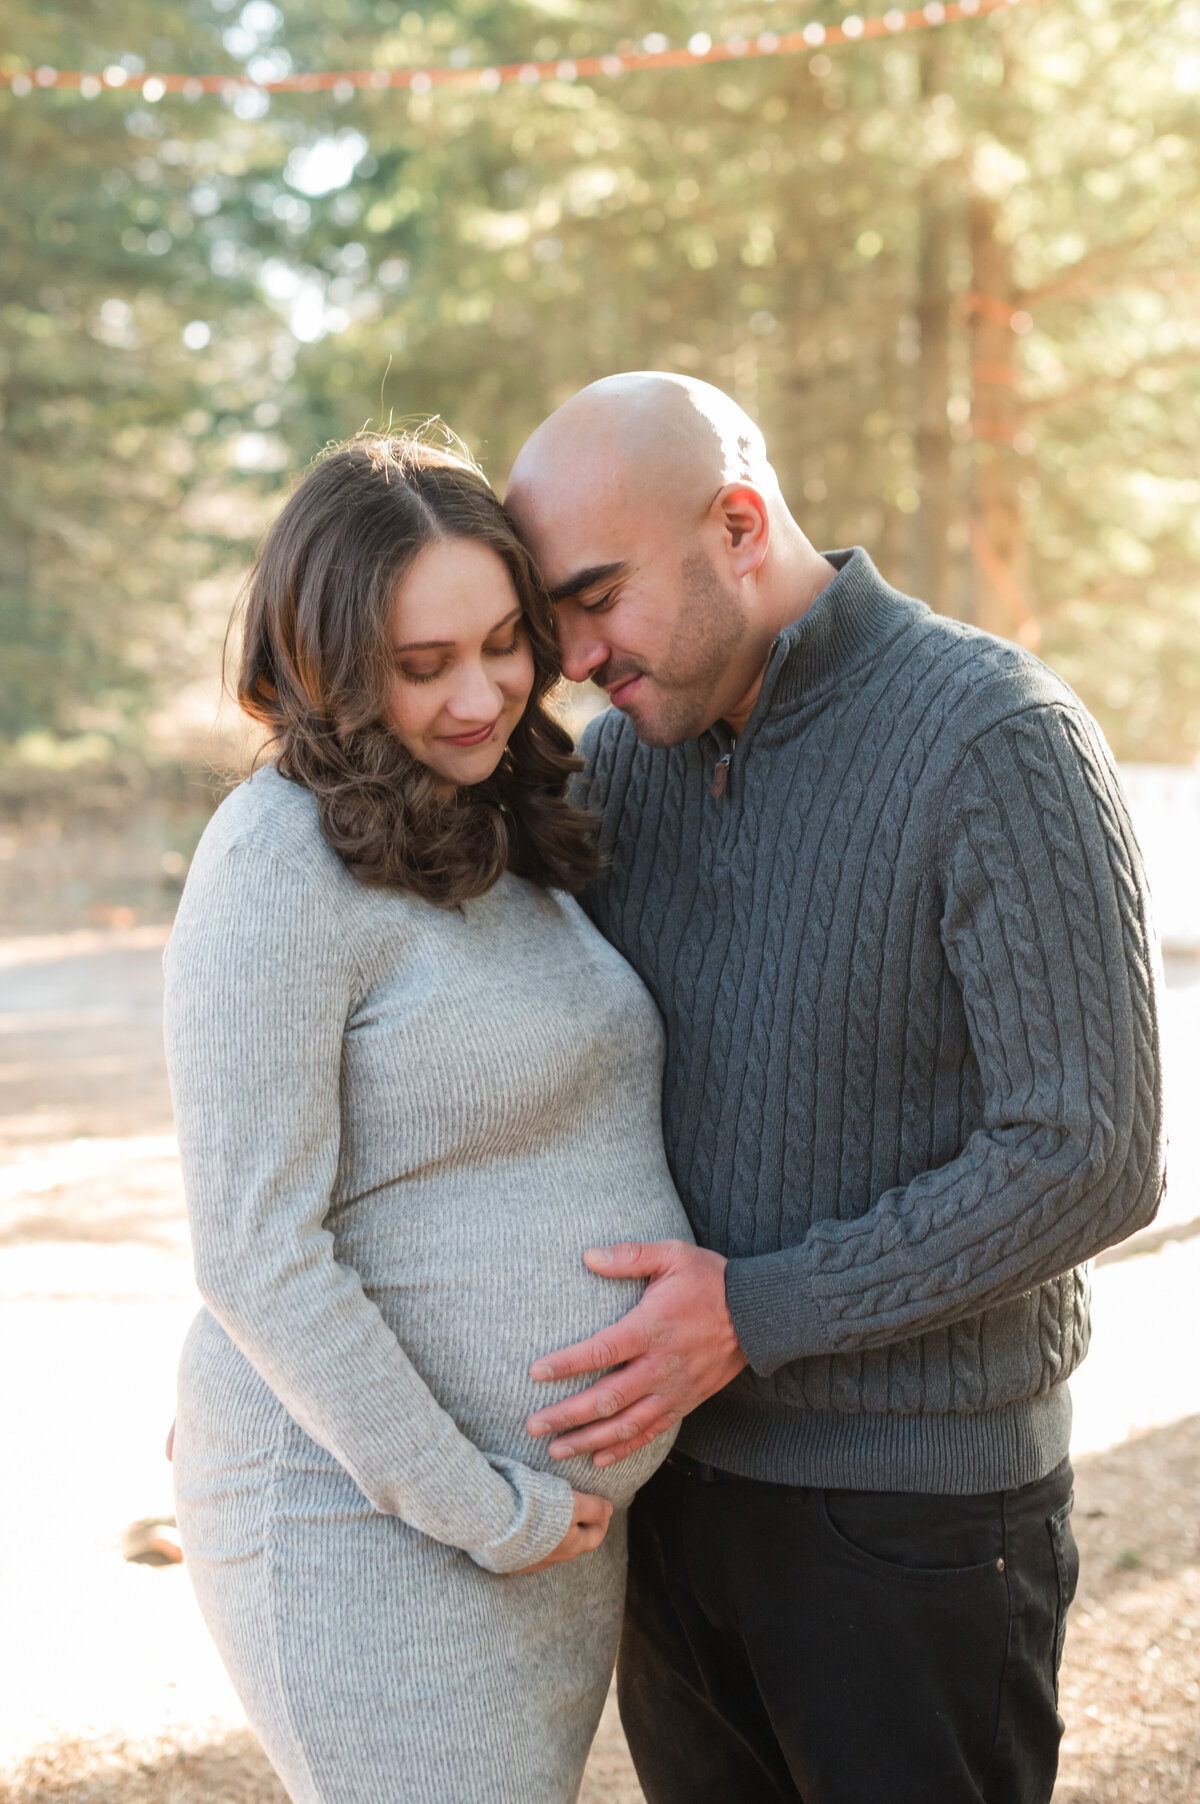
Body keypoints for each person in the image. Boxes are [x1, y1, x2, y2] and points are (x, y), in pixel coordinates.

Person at [504, 372, 1166, 1804]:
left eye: (596, 596)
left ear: (738, 524)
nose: (572, 655)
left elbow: (1090, 1151)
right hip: (672, 1506)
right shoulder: (624, 766)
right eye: (553, 618)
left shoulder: (993, 737)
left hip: (914, 1519)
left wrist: (757, 1310)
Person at [164, 430, 695, 1804]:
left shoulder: (506, 820)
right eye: (421, 667)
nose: (481, 695)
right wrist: (486, 1509)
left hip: (544, 1539)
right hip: (371, 1523)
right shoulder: (276, 860)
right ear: (328, 664)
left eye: (505, 642)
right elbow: (253, 1253)